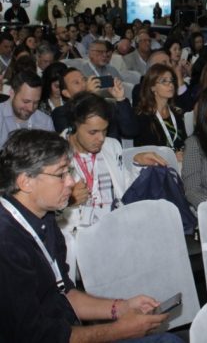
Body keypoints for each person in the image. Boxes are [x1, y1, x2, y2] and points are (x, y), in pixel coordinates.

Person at [0, 129, 182, 342]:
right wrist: (119, 330)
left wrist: (121, 307)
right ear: (25, 182)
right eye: (61, 174)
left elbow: (64, 292)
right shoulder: (6, 243)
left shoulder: (44, 217)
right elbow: (33, 336)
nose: (71, 181)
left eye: (69, 171)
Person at [59, 92, 168, 235]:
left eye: (104, 130)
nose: (101, 138)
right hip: (78, 235)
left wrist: (138, 164)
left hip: (117, 229)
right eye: (93, 132)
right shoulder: (54, 156)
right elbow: (40, 208)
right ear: (74, 126)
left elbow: (126, 188)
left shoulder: (112, 146)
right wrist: (67, 201)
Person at [52, 67, 139, 143]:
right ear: (66, 93)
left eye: (84, 80)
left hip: (110, 154)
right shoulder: (60, 113)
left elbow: (130, 131)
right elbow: (71, 138)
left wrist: (120, 98)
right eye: (76, 83)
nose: (84, 84)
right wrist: (88, 96)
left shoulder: (108, 105)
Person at [134, 64, 187, 162]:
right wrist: (171, 157)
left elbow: (184, 142)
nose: (170, 85)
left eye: (171, 80)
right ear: (152, 87)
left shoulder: (177, 113)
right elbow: (145, 152)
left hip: (180, 163)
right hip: (157, 166)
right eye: (164, 81)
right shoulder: (143, 116)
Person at [0, 71, 54, 147]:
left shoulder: (45, 122)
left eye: (36, 102)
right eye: (26, 101)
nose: (31, 108)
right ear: (12, 93)